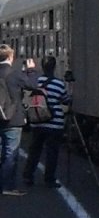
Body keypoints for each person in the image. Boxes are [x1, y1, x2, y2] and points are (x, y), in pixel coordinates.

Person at [23, 55, 72, 189]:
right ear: (54, 67)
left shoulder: (37, 82)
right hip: (54, 122)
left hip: (37, 121)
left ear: (42, 67)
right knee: (52, 151)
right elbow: (65, 100)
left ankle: (28, 175)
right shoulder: (59, 83)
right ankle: (49, 178)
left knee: (35, 149)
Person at [0, 44, 39, 196]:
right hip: (13, 119)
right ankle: (8, 186)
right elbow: (33, 85)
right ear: (11, 57)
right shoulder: (15, 74)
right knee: (10, 153)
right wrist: (31, 70)